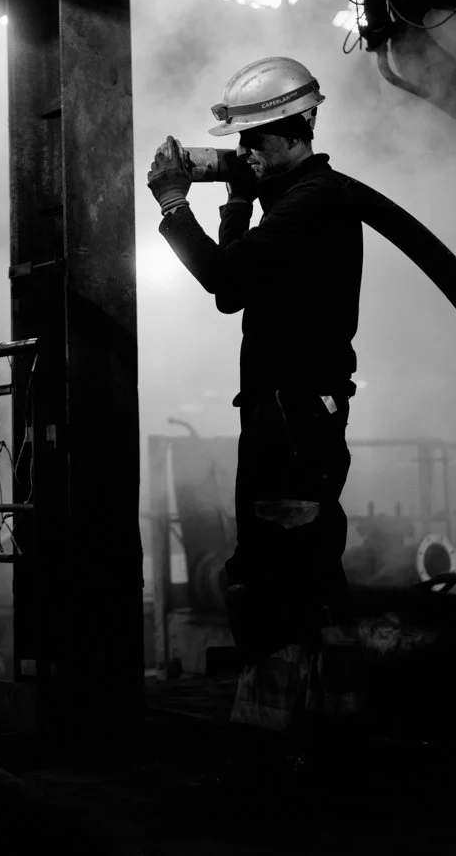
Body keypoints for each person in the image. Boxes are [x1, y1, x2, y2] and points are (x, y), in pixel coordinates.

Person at [146, 56, 361, 659]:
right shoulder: (288, 201)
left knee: (293, 564)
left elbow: (219, 275)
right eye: (240, 140)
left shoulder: (314, 203)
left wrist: (173, 205)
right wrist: (238, 199)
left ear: (296, 131)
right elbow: (234, 295)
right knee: (262, 565)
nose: (246, 151)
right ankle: (287, 708)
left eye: (254, 138)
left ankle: (316, 715)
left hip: (297, 417)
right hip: (277, 412)